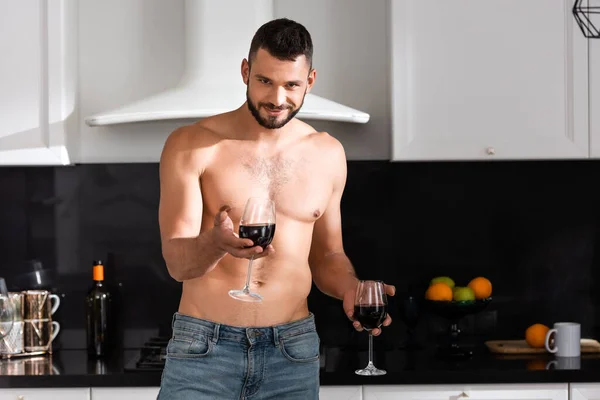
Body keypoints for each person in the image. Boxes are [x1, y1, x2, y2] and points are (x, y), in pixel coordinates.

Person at [157, 17, 395, 400]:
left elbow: (328, 256)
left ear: (311, 81)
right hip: (204, 351)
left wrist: (349, 287)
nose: (277, 99)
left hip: (292, 351)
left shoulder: (328, 154)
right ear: (245, 71)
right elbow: (177, 262)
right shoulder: (192, 145)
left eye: (292, 85)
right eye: (265, 81)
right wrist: (216, 244)